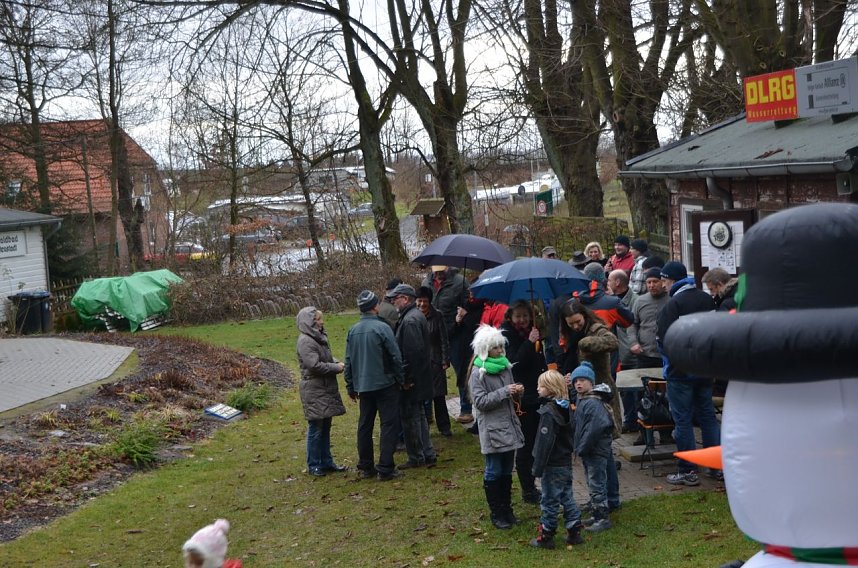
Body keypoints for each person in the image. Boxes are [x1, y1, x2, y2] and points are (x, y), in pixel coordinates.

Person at [656, 261, 719, 486]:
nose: (662, 285)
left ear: (672, 280)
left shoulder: (673, 305)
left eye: (664, 280)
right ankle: (715, 466)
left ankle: (687, 470)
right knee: (708, 417)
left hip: (680, 372)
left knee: (682, 421)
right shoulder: (707, 299)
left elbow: (663, 341)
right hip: (705, 369)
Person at [344, 290, 405, 481]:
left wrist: (350, 386)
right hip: (385, 383)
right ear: (374, 306)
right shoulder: (383, 328)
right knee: (388, 424)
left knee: (365, 425)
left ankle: (366, 466)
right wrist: (401, 378)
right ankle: (385, 467)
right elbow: (395, 356)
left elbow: (349, 360)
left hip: (363, 385)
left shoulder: (353, 330)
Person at [469, 324, 525, 530]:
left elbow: (511, 397)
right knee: (493, 470)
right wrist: (504, 392)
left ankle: (507, 509)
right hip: (492, 429)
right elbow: (480, 402)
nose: (500, 351)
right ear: (485, 349)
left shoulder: (505, 366)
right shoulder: (478, 373)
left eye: (501, 347)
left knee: (507, 471)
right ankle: (497, 512)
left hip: (508, 425)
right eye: (496, 348)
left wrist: (517, 392)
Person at [529, 370, 583, 549]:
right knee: (567, 494)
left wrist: (537, 468)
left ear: (550, 389)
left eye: (541, 386)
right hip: (565, 460)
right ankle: (574, 528)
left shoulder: (548, 413)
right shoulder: (567, 407)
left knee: (550, 499)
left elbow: (544, 444)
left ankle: (547, 534)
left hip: (552, 464)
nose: (537, 389)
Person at [500, 301, 547, 504]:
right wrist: (529, 342)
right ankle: (528, 489)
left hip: (537, 394)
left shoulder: (532, 332)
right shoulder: (507, 336)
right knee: (525, 446)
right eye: (518, 316)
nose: (522, 320)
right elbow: (515, 364)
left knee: (537, 441)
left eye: (525, 316)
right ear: (511, 317)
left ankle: (534, 484)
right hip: (522, 398)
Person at [296, 306, 347, 477]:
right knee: (316, 427)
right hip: (314, 389)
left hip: (324, 388)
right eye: (317, 319)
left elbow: (323, 358)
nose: (321, 322)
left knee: (325, 427)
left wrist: (335, 362)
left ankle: (326, 462)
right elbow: (314, 365)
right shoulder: (305, 341)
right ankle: (314, 464)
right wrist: (336, 367)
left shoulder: (318, 338)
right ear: (309, 322)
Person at [391, 283, 437, 469]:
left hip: (413, 380)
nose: (393, 301)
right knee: (419, 416)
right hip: (421, 377)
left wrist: (406, 379)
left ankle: (417, 456)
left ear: (406, 299)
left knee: (411, 418)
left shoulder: (410, 320)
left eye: (397, 297)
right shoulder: (414, 316)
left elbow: (413, 353)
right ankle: (428, 452)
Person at [628, 267, 671, 445]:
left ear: (662, 282)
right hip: (644, 355)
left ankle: (666, 432)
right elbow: (631, 324)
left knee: (665, 396)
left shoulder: (671, 301)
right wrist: (633, 343)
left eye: (655, 281)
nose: (652, 285)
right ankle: (643, 433)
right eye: (649, 282)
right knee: (642, 395)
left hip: (665, 356)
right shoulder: (639, 301)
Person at [571, 362, 615, 533]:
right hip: (588, 450)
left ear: (591, 382)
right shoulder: (583, 399)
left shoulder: (593, 403)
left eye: (582, 380)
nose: (578, 384)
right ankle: (596, 512)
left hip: (595, 449)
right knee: (592, 480)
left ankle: (602, 517)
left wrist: (582, 447)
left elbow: (594, 429)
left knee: (597, 482)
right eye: (576, 381)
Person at [416, 286, 452, 437]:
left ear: (430, 301)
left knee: (439, 396)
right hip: (419, 362)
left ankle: (444, 427)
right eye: (420, 301)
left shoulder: (438, 315)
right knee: (423, 397)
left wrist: (445, 359)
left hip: (436, 361)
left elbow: (444, 339)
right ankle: (424, 427)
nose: (422, 304)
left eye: (425, 301)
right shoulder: (413, 316)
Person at [607, 269, 638, 434]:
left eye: (610, 280)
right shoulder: (612, 300)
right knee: (624, 390)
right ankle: (630, 420)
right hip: (619, 352)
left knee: (635, 389)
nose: (608, 283)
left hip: (630, 351)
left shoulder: (634, 300)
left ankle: (637, 420)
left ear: (617, 283)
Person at [449, 291, 485, 424]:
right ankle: (466, 408)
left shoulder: (483, 307)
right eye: (470, 292)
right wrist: (458, 321)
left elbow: (478, 326)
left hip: (477, 349)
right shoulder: (463, 306)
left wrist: (467, 316)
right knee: (463, 377)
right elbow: (454, 330)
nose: (471, 295)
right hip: (462, 349)